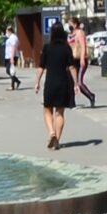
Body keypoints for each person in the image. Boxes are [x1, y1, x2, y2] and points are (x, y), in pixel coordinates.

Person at [37, 17, 77, 150]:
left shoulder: (47, 48)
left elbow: (41, 66)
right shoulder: (66, 48)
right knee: (60, 112)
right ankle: (57, 141)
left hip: (50, 82)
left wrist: (37, 82)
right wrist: (76, 83)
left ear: (52, 34)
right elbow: (71, 67)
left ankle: (51, 132)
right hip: (63, 82)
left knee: (47, 109)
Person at [68, 17, 97, 106]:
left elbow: (83, 46)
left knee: (79, 83)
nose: (68, 25)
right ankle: (71, 102)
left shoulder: (80, 33)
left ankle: (91, 96)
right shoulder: (70, 34)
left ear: (75, 24)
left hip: (80, 59)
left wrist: (82, 59)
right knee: (72, 81)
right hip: (73, 59)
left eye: (70, 23)